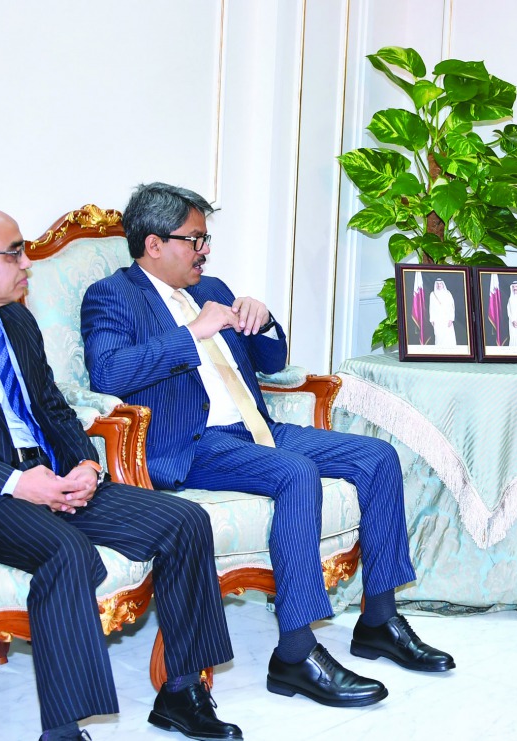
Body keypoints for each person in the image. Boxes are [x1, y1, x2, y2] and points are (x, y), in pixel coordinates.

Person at [0, 205, 241, 741]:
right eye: (14, 251)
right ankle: (64, 731)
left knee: (183, 522)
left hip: (45, 477)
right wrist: (20, 484)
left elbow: (50, 406)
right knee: (66, 551)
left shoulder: (16, 320)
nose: (27, 263)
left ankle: (183, 692)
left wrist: (82, 465)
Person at [80, 182, 453, 709]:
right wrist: (192, 333)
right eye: (195, 239)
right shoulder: (113, 296)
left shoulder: (214, 287)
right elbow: (109, 371)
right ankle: (297, 653)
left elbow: (273, 363)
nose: (205, 250)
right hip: (193, 442)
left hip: (257, 427)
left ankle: (379, 620)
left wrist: (262, 319)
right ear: (154, 243)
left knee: (377, 457)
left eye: (206, 238)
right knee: (296, 472)